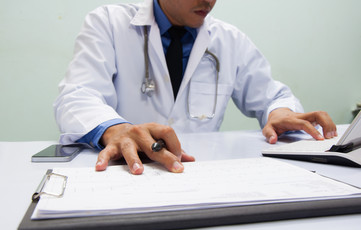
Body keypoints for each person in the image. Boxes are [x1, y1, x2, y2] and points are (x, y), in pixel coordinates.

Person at [54, 0, 337, 175]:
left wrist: (279, 113)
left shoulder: (229, 39)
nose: (210, 0)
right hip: (127, 172)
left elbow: (272, 96)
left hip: (197, 173)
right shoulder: (108, 23)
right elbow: (77, 97)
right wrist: (114, 130)